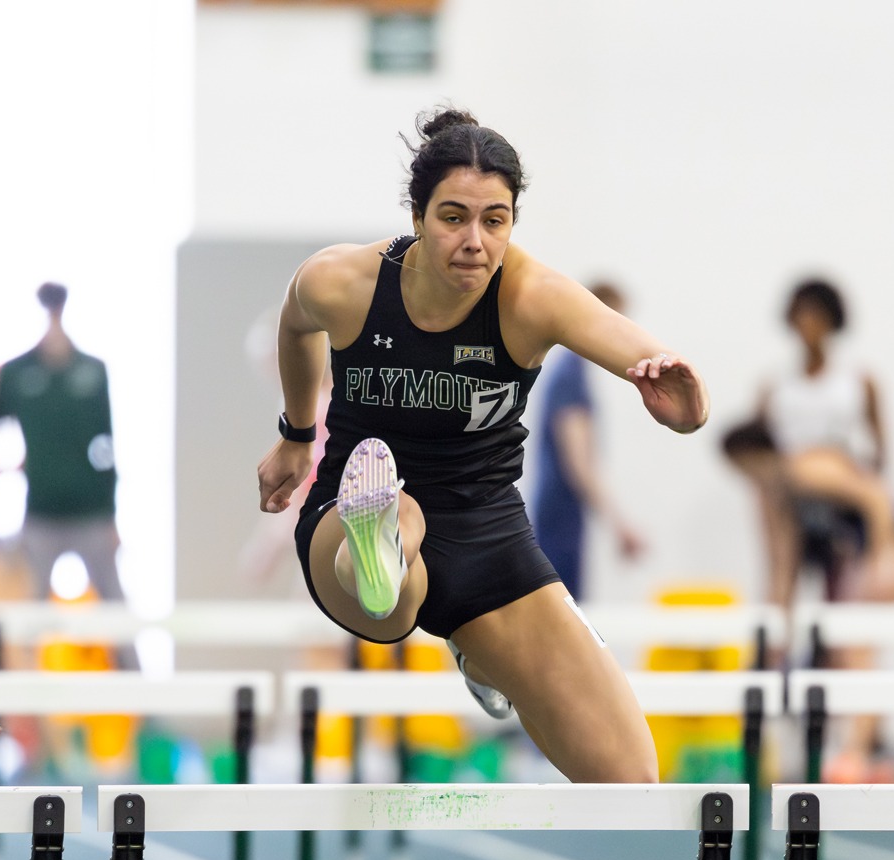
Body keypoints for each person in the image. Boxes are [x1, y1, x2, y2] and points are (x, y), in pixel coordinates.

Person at [256, 108, 708, 783]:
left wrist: (685, 409)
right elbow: (295, 325)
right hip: (348, 519)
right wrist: (296, 436)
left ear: (512, 223)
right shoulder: (344, 281)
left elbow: (651, 361)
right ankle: (382, 547)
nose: (474, 242)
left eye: (494, 221)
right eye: (453, 218)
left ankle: (481, 650)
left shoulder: (534, 296)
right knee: (395, 568)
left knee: (630, 775)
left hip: (485, 538)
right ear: (416, 217)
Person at [723, 278, 894, 781]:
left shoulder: (812, 459)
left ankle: (860, 750)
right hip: (829, 534)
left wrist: (882, 557)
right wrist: (773, 640)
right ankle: (847, 747)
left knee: (854, 641)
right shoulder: (775, 482)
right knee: (826, 642)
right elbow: (781, 571)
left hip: (878, 534)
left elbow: (876, 492)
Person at [0, 282, 128, 611]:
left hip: (91, 513)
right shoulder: (16, 372)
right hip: (40, 512)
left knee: (116, 606)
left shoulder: (92, 371)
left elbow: (105, 445)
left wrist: (111, 514)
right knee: (28, 609)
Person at [526, 280, 647, 600]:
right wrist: (619, 524)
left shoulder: (569, 373)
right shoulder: (570, 377)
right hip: (560, 513)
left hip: (564, 509)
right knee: (563, 606)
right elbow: (578, 463)